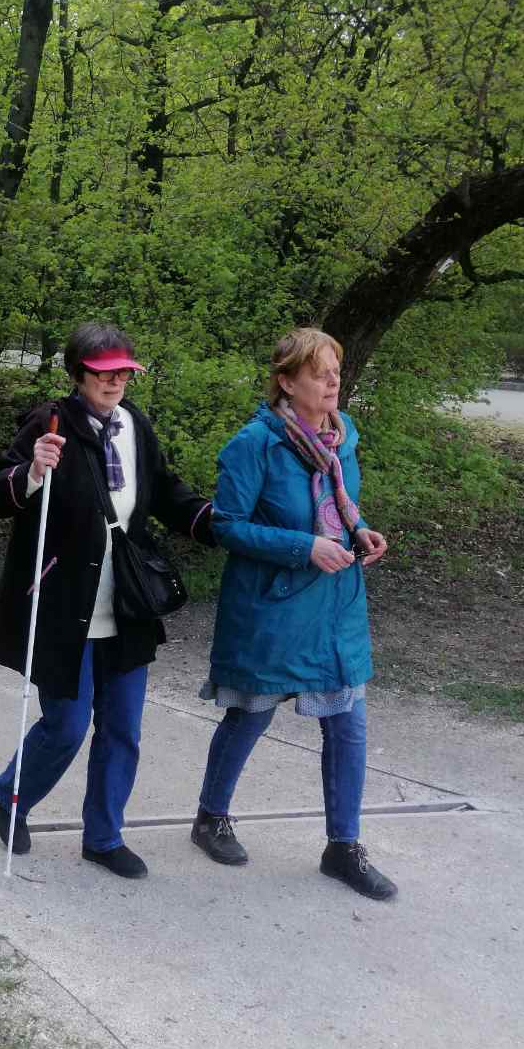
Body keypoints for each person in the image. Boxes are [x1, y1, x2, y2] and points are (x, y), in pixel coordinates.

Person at [0, 322, 216, 879]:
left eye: (123, 373)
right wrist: (30, 471)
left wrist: (216, 522)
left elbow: (165, 491)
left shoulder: (135, 423)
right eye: (103, 373)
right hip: (64, 605)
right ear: (78, 373)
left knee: (122, 729)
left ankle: (104, 837)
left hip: (127, 602)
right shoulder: (50, 422)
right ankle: (11, 795)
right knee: (66, 725)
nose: (115, 382)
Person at [189, 327, 396, 900]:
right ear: (286, 381)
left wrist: (360, 530)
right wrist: (304, 547)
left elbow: (340, 506)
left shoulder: (341, 436)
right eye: (318, 373)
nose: (332, 382)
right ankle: (210, 818)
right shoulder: (255, 444)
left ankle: (343, 848)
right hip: (273, 603)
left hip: (336, 604)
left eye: (336, 371)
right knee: (251, 715)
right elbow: (227, 526)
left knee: (348, 725)